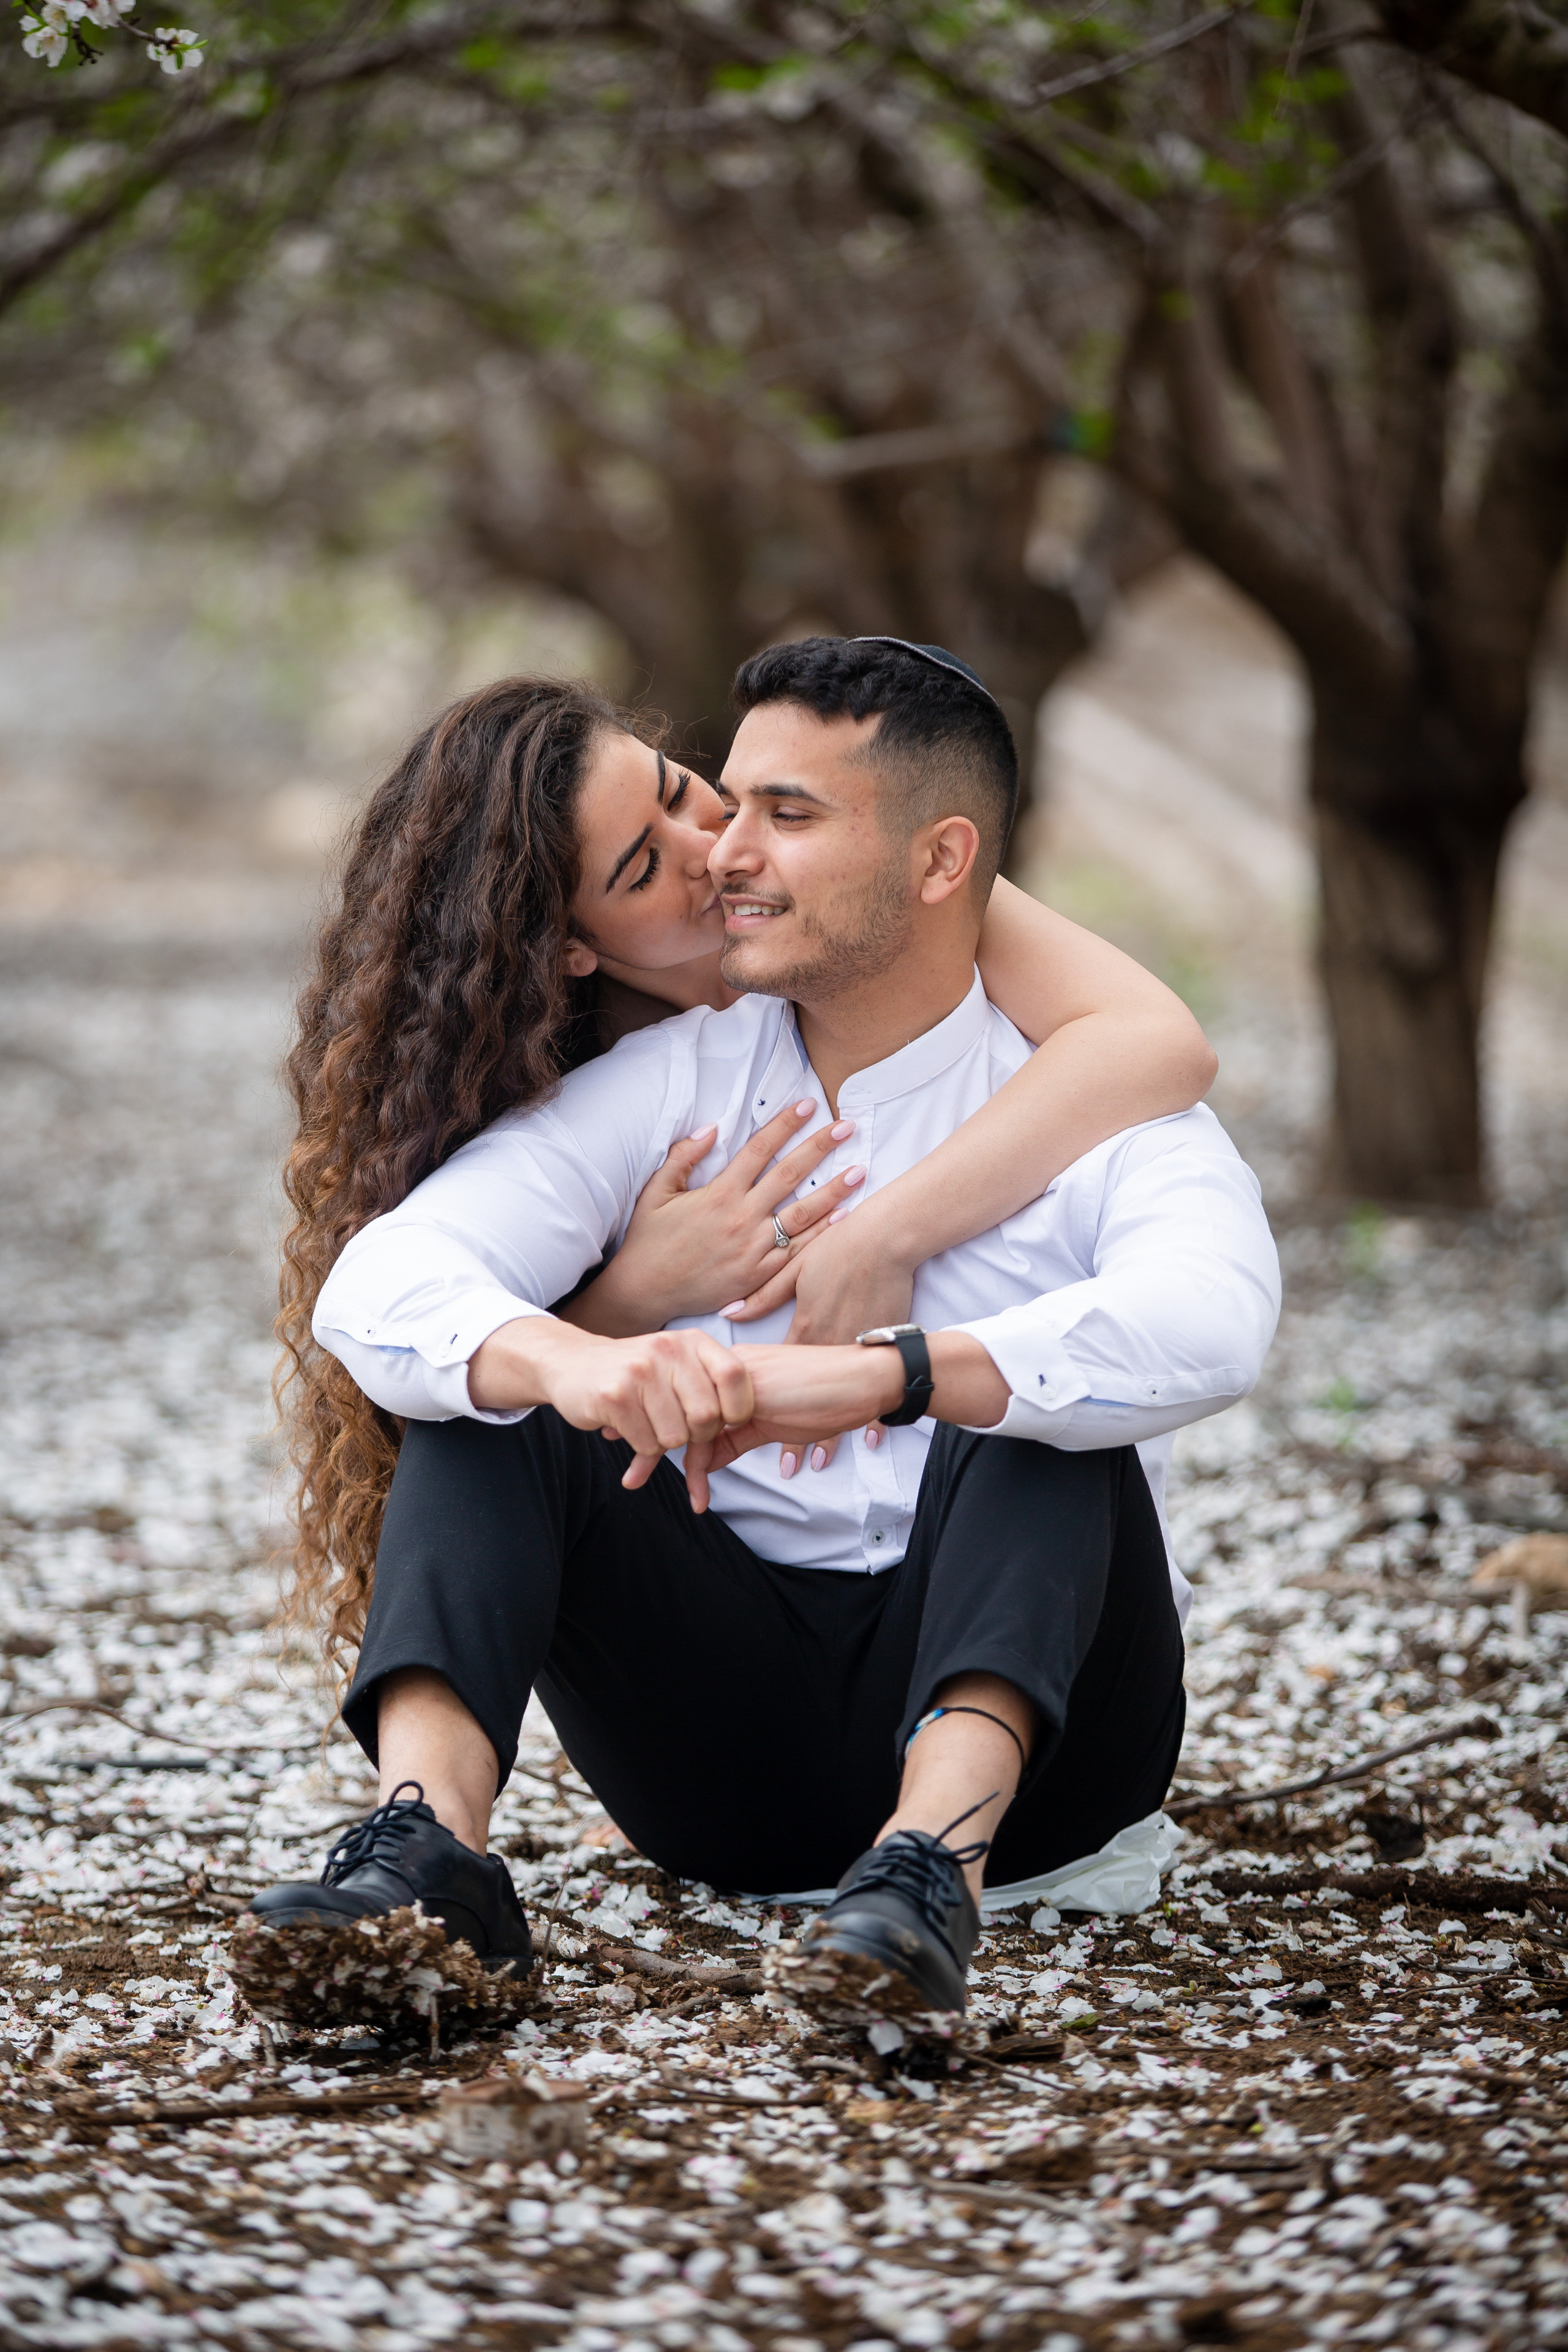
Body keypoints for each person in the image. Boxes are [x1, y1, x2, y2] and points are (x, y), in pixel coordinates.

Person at [257, 639, 1275, 2017]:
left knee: (1037, 1394)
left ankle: (927, 1873)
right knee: (485, 1401)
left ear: (935, 863)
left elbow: (1211, 1318)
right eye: (716, 810)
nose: (726, 851)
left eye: (779, 815)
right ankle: (421, 1861)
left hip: (1049, 1760)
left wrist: (884, 1378)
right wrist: (591, 1356)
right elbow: (383, 1283)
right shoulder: (664, 1083)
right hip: (725, 1758)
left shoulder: (1082, 1094)